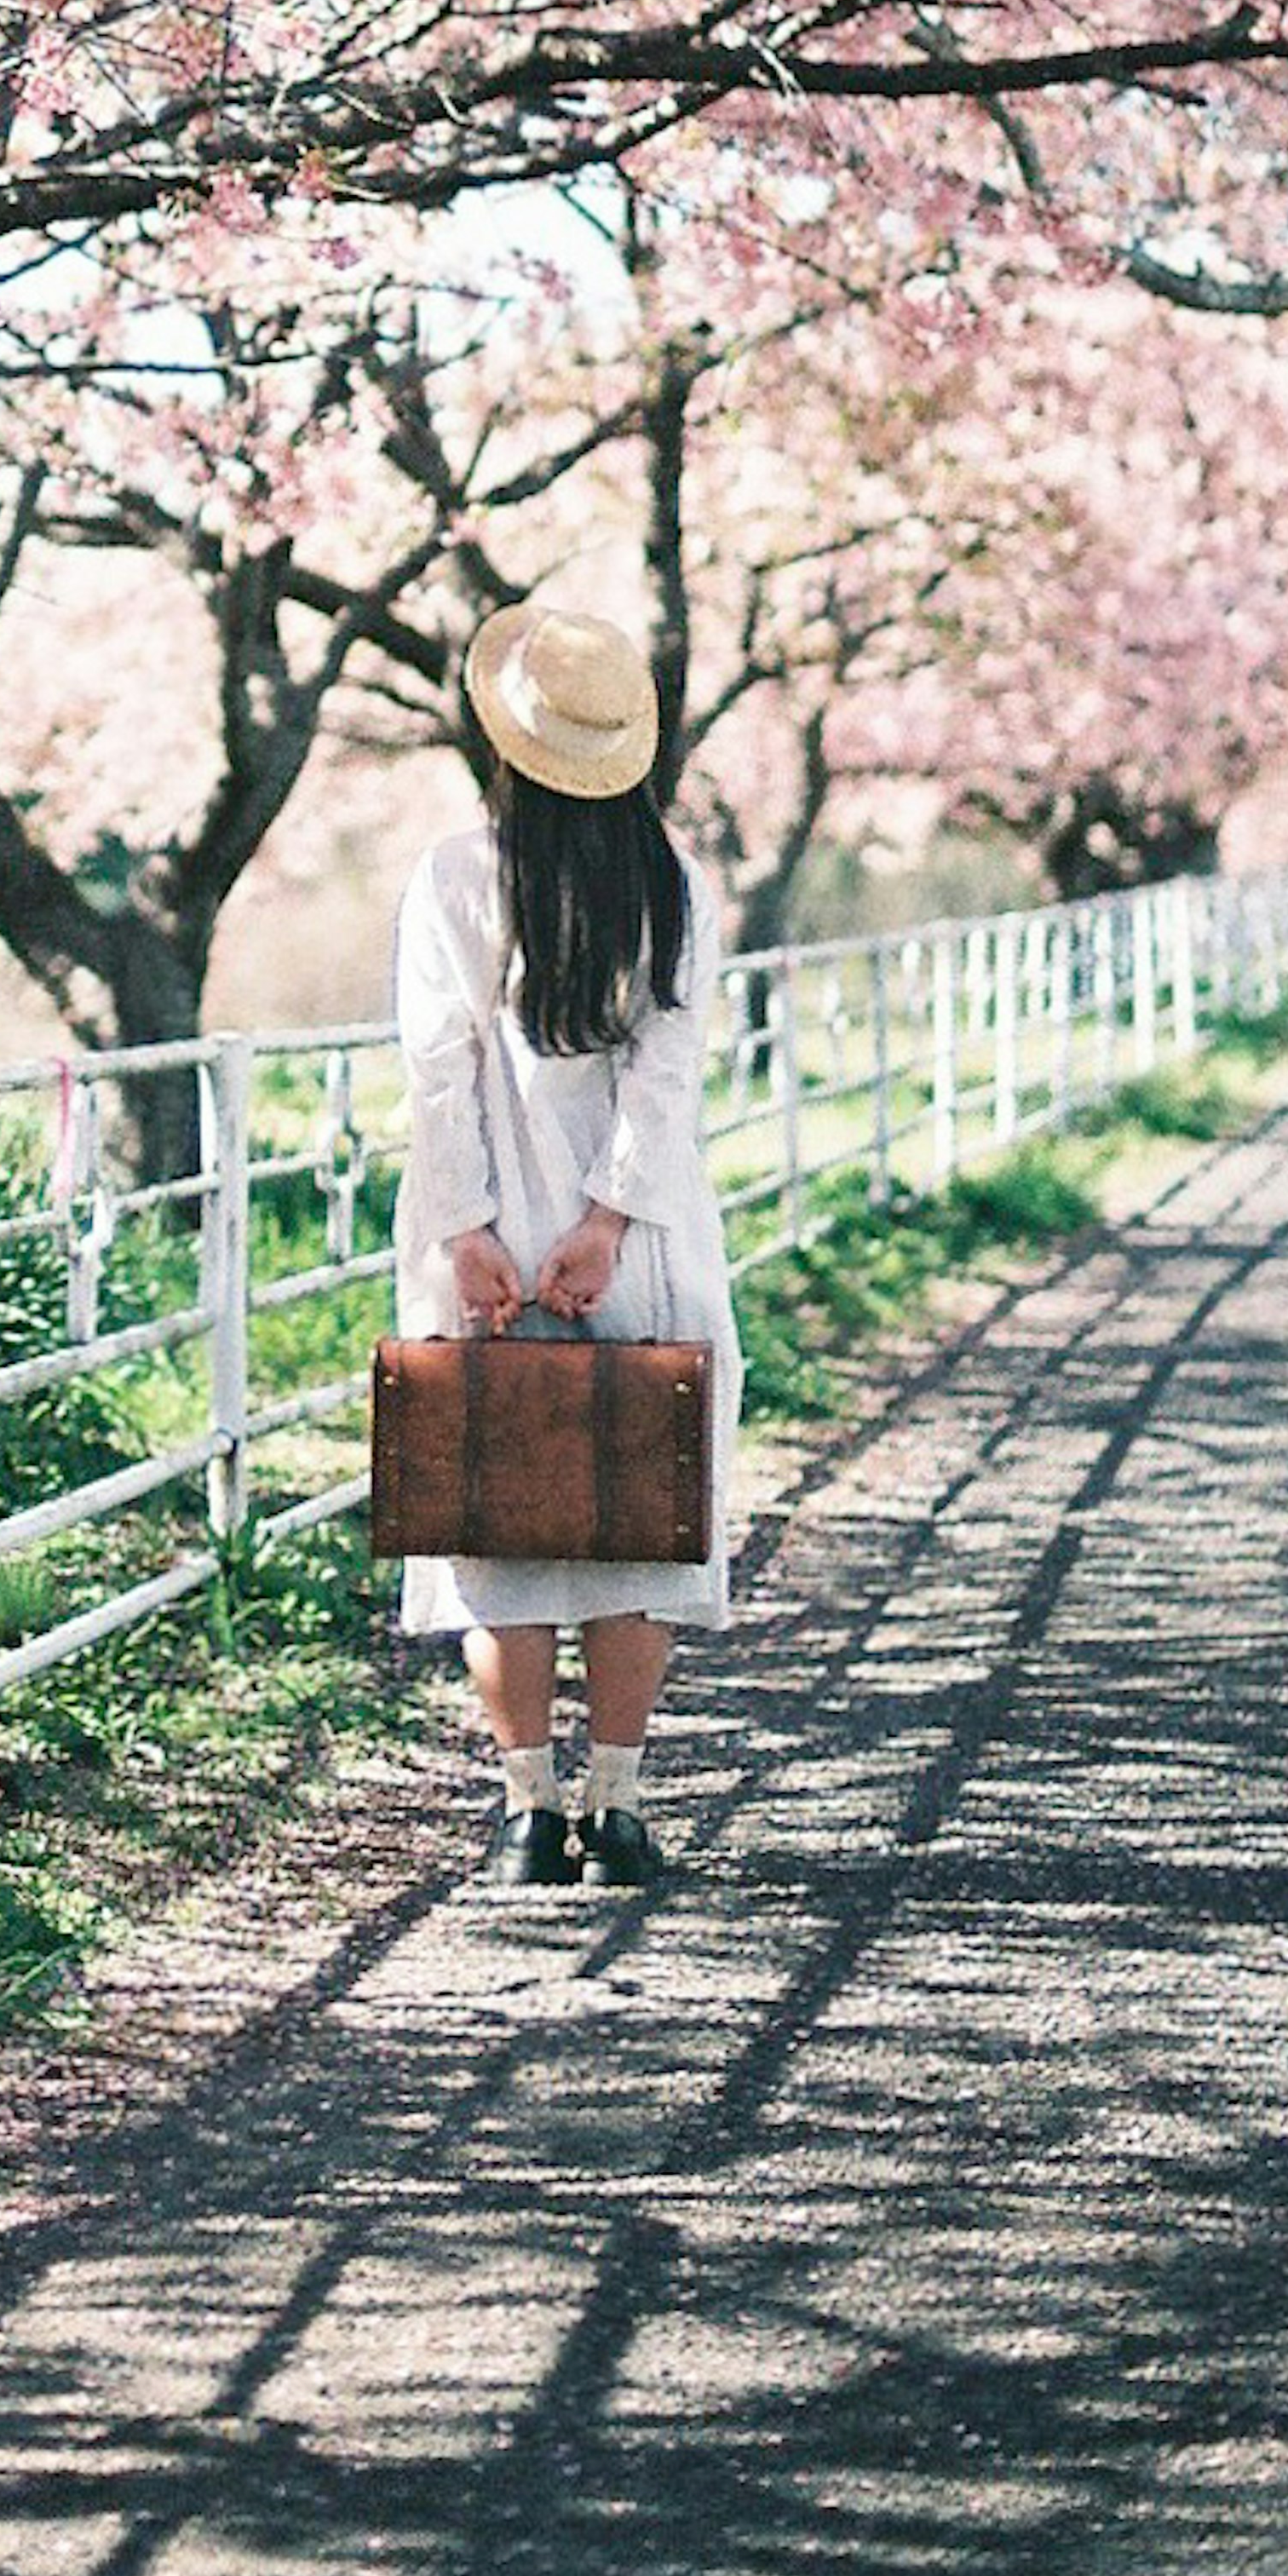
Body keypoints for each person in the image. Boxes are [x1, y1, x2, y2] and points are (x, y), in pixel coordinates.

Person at [391, 595, 740, 1894]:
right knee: (631, 1520)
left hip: (478, 1244)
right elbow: (669, 1070)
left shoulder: (456, 876)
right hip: (639, 1245)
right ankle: (621, 1809)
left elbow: (436, 1068)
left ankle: (525, 1813)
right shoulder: (670, 883)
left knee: (500, 1528)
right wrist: (605, 1224)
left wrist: (470, 1230)